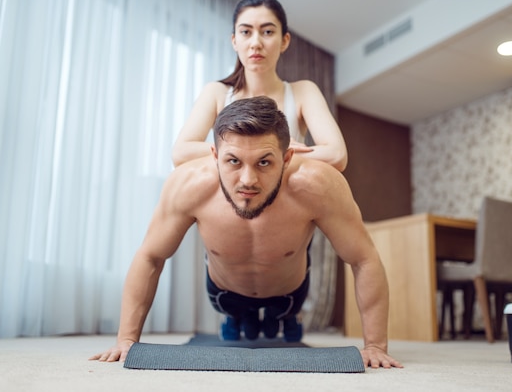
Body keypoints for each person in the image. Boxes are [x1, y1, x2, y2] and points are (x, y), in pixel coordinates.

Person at [90, 96, 402, 369]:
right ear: (214, 156)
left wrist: (375, 346)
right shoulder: (188, 185)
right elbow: (151, 256)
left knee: (281, 325)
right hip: (224, 295)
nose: (247, 180)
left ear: (287, 157)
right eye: (233, 161)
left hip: (289, 296)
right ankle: (238, 320)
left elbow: (364, 259)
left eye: (265, 162)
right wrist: (126, 339)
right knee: (243, 327)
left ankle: (286, 320)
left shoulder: (318, 185)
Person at [172, 0, 347, 172]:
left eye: (268, 32)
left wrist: (235, 154)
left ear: (284, 41)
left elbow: (337, 155)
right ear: (234, 41)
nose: (255, 43)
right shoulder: (217, 93)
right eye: (246, 32)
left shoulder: (303, 92)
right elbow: (181, 152)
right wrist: (275, 151)